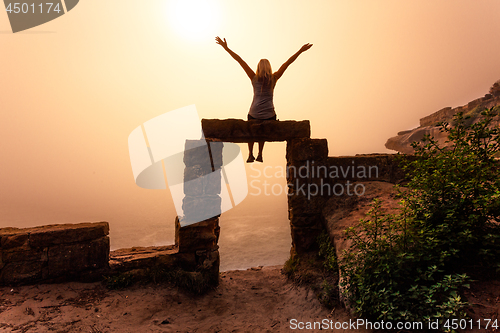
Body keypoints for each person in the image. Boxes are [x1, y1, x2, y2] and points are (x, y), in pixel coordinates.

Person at [215, 36, 312, 163]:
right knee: (263, 127)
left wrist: (226, 48)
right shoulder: (274, 77)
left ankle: (250, 154)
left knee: (252, 127)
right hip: (269, 115)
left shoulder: (253, 77)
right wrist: (300, 51)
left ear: (259, 68)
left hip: (254, 113)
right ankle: (260, 154)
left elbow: (240, 61)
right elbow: (287, 63)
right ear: (269, 67)